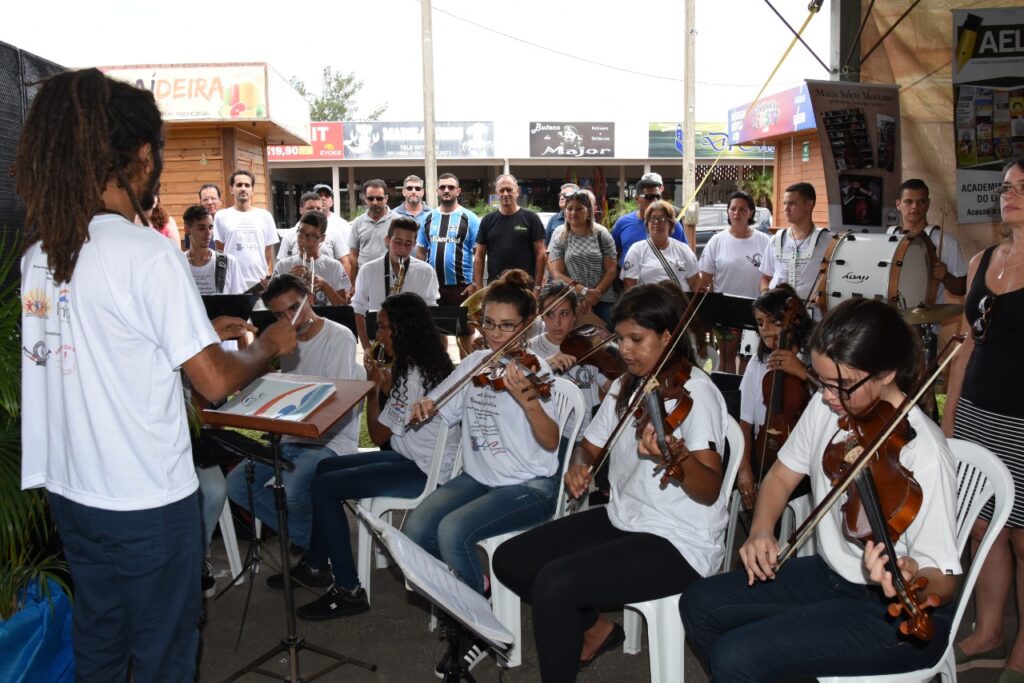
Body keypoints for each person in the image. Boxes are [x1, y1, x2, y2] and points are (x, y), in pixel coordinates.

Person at [17, 68, 297, 682]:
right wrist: (269, 345)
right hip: (144, 499)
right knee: (164, 657)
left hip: (75, 493)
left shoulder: (41, 257)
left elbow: (102, 349)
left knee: (100, 645)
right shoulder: (147, 254)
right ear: (142, 156)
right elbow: (215, 381)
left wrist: (193, 331)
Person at [682, 298, 962, 681]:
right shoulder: (828, 407)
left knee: (738, 657)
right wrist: (762, 530)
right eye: (823, 381)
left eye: (842, 385)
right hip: (833, 574)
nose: (828, 395)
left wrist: (911, 577)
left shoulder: (923, 452)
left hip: (894, 616)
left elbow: (944, 577)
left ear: (885, 373)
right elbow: (781, 476)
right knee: (700, 603)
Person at [493, 282, 729, 682]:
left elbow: (709, 490)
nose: (625, 350)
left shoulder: (697, 394)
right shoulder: (627, 385)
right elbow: (589, 446)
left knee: (555, 584)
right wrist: (579, 466)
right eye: (620, 338)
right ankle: (595, 629)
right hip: (625, 517)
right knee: (510, 560)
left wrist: (676, 457)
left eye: (637, 339)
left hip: (680, 540)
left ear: (668, 336)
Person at [405, 269, 562, 675]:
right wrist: (427, 405)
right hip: (480, 477)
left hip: (530, 485)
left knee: (454, 530)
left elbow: (550, 442)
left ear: (527, 326)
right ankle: (475, 592)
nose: (495, 334)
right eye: (489, 323)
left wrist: (529, 403)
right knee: (416, 528)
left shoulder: (537, 372)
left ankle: (477, 628)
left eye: (507, 326)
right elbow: (440, 403)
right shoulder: (476, 362)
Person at [288, 293, 459, 620]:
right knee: (325, 467)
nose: (378, 335)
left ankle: (348, 590)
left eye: (382, 327)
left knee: (325, 487)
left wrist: (373, 388)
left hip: (422, 472)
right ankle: (315, 565)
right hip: (415, 459)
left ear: (401, 329)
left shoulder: (413, 374)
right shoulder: (426, 363)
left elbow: (379, 435)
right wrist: (384, 382)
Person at [943, 159, 1024, 677]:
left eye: (1022, 187)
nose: (1009, 194)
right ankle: (989, 631)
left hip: (1022, 425)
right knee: (982, 527)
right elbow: (966, 347)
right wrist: (950, 421)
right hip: (977, 413)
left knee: (1023, 538)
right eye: (1006, 187)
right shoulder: (981, 262)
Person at [225, 274, 362, 557]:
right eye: (279, 315)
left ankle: (315, 546)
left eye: (295, 308)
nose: (290, 318)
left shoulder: (339, 336)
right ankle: (313, 539)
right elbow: (266, 385)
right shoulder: (284, 340)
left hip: (331, 440)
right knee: (238, 484)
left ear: (310, 300)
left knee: (291, 490)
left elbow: (335, 403)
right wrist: (253, 350)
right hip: (293, 437)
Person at [735, 285, 814, 511]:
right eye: (760, 323)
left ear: (792, 322)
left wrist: (803, 372)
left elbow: (832, 398)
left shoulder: (812, 359)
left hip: (804, 459)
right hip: (764, 451)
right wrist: (744, 469)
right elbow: (745, 420)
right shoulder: (758, 362)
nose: (766, 329)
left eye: (774, 322)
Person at [526, 281, 613, 444]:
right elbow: (520, 391)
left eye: (564, 314)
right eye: (549, 314)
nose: (556, 322)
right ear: (542, 316)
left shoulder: (588, 345)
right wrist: (544, 365)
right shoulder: (531, 349)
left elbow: (607, 385)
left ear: (574, 315)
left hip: (587, 436)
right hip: (548, 437)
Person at [698, 190, 772, 373]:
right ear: (728, 212)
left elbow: (770, 276)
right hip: (726, 310)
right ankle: (727, 396)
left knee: (749, 359)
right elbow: (705, 279)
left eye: (742, 209)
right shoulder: (717, 241)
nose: (737, 213)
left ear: (751, 213)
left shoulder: (764, 241)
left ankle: (744, 397)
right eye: (733, 209)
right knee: (726, 359)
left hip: (756, 310)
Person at [352, 216, 440, 352]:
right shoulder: (368, 270)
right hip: (380, 345)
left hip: (414, 347)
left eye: (408, 244)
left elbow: (430, 313)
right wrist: (367, 348)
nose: (402, 249)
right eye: (397, 242)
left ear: (414, 244)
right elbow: (358, 310)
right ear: (387, 241)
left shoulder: (426, 272)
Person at [415, 172, 480, 355]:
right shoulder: (427, 218)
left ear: (458, 191)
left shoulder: (470, 218)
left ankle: (465, 374)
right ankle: (441, 373)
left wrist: (475, 283)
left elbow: (479, 254)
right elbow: (420, 251)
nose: (446, 190)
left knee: (465, 333)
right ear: (437, 191)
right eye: (442, 187)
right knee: (436, 333)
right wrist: (420, 281)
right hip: (434, 287)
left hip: (462, 288)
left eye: (450, 187)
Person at [888, 178, 968, 301]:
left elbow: (962, 289)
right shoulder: (889, 236)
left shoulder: (946, 241)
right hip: (893, 317)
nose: (915, 206)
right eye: (909, 201)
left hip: (928, 317)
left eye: (921, 201)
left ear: (928, 204)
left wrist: (946, 276)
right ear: (898, 204)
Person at [547, 190, 618, 324]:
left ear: (589, 211)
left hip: (603, 298)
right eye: (570, 208)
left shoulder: (601, 234)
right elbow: (557, 273)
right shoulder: (560, 236)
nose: (574, 213)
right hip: (572, 300)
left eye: (579, 208)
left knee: (610, 339)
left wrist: (595, 294)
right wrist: (585, 292)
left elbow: (611, 270)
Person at [759, 182, 831, 304]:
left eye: (792, 203)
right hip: (777, 314)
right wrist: (766, 295)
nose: (786, 209)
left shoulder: (828, 241)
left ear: (809, 205)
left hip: (812, 314)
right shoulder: (776, 239)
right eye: (785, 203)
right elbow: (766, 278)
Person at [474, 174, 547, 289]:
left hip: (525, 287)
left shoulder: (531, 218)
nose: (505, 194)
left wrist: (537, 287)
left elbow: (541, 254)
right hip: (496, 288)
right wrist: (478, 287)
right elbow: (479, 256)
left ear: (517, 191)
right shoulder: (487, 220)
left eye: (509, 189)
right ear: (497, 193)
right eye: (501, 190)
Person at [214, 168, 279, 289]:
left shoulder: (265, 216)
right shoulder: (221, 216)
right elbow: (221, 251)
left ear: (252, 190)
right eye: (239, 185)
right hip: (231, 281)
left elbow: (268, 251)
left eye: (247, 185)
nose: (243, 188)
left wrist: (264, 274)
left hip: (258, 281)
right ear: (231, 190)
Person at [272, 209, 352, 306]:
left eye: (312, 236)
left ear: (322, 238)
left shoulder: (335, 267)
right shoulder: (283, 266)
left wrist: (325, 286)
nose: (304, 241)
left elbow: (343, 308)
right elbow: (272, 305)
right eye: (301, 233)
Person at [621, 199, 701, 292]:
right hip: (650, 305)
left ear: (670, 223)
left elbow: (695, 283)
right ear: (647, 224)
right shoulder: (636, 250)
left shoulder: (683, 249)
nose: (657, 223)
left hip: (681, 304)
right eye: (653, 218)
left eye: (662, 218)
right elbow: (629, 286)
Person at [611, 172, 687, 268]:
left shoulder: (672, 224)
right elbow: (612, 252)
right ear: (637, 198)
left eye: (658, 197)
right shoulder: (623, 222)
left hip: (663, 280)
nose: (655, 201)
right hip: (629, 280)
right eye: (649, 197)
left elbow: (684, 254)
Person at [183, 204, 246, 296]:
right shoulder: (179, 264)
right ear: (187, 229)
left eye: (211, 227)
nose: (208, 233)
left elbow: (240, 302)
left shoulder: (229, 262)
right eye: (201, 228)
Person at [348, 179, 394, 279]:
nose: (375, 202)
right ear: (365, 199)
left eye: (379, 198)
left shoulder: (397, 221)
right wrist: (353, 282)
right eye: (370, 198)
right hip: (365, 278)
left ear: (386, 198)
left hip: (390, 277)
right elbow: (353, 254)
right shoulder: (358, 222)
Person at [278, 192, 330, 259]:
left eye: (318, 208)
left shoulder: (333, 233)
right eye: (310, 208)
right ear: (301, 210)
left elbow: (343, 262)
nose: (315, 211)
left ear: (322, 237)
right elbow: (282, 264)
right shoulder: (289, 235)